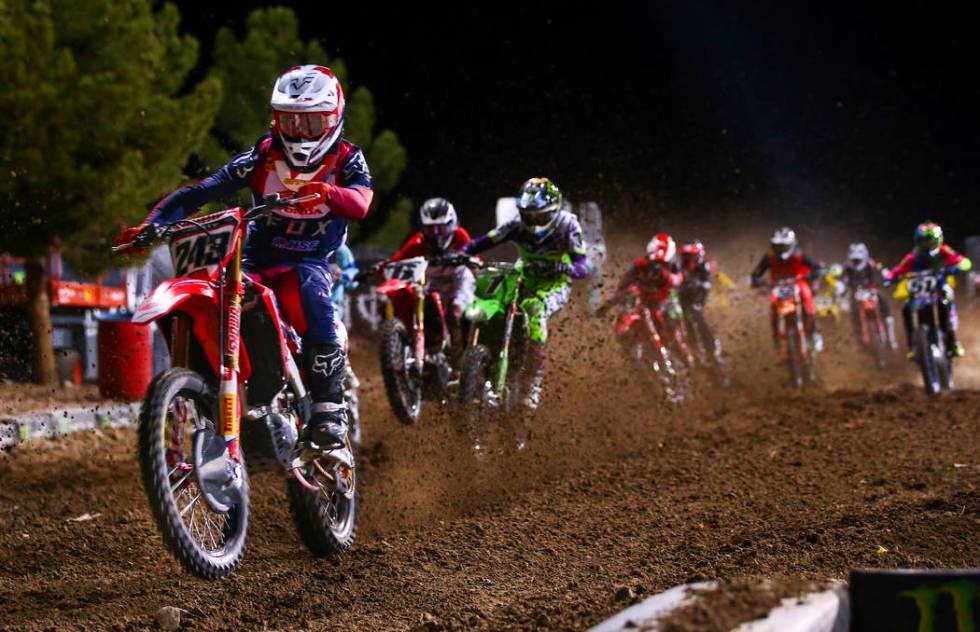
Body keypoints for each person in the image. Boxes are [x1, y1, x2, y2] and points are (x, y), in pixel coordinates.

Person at [116, 65, 372, 449]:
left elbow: (361, 201)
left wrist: (328, 194)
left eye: (312, 122)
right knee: (220, 297)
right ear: (276, 120)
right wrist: (151, 225)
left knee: (313, 295)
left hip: (312, 258)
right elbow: (198, 193)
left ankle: (329, 409)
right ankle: (216, 391)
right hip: (256, 258)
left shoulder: (346, 158)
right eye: (290, 121)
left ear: (333, 118)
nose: (300, 133)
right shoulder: (262, 156)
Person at [462, 177, 588, 410]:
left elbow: (583, 266)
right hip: (524, 274)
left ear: (553, 210)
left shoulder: (568, 225)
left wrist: (567, 267)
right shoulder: (516, 225)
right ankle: (472, 362)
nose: (532, 222)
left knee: (534, 310)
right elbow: (485, 241)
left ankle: (533, 384)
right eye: (527, 215)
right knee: (493, 299)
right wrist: (462, 254)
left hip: (554, 282)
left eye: (539, 216)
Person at [380, 198, 475, 352]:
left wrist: (472, 261)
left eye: (441, 228)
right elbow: (397, 260)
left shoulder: (460, 235)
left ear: (452, 225)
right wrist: (380, 267)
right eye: (431, 229)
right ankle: (422, 346)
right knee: (419, 302)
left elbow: (474, 258)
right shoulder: (417, 242)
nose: (436, 234)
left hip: (457, 281)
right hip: (432, 282)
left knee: (456, 311)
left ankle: (461, 354)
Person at [882, 222, 972, 358]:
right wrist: (889, 278)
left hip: (939, 287)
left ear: (938, 240)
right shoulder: (912, 257)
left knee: (947, 299)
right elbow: (897, 270)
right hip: (920, 293)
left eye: (931, 241)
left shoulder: (944, 251)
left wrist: (957, 267)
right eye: (924, 242)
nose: (928, 245)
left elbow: (963, 261)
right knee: (906, 309)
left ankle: (953, 339)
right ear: (918, 242)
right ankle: (912, 346)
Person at [605, 233, 692, 365]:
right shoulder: (640, 264)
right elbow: (623, 285)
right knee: (623, 330)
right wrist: (608, 304)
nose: (656, 265)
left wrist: (665, 275)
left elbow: (678, 280)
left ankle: (687, 362)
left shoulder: (674, 265)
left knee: (675, 336)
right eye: (655, 262)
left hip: (666, 305)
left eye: (660, 263)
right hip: (644, 305)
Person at [750, 226, 826, 352]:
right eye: (778, 246)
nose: (780, 249)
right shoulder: (769, 257)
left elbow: (816, 267)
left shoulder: (799, 255)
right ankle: (776, 339)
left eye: (783, 246)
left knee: (807, 297)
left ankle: (816, 332)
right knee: (773, 308)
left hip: (798, 283)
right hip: (778, 287)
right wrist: (756, 281)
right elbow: (756, 273)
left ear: (791, 245)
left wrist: (815, 273)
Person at [840, 242, 897, 349]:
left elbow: (882, 272)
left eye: (858, 260)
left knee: (885, 308)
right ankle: (859, 338)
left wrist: (887, 278)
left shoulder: (870, 264)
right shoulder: (847, 267)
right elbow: (842, 280)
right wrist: (842, 289)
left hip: (870, 291)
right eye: (854, 260)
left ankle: (891, 337)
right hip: (855, 294)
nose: (856, 262)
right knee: (853, 314)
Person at [677, 239, 723, 361]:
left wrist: (695, 286)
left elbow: (706, 285)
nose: (688, 259)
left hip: (694, 301)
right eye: (685, 256)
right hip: (678, 301)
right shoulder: (677, 267)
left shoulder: (703, 267)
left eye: (690, 256)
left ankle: (711, 344)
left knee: (695, 314)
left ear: (697, 255)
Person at [329, 243, 359, 328]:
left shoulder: (340, 249)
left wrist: (340, 275)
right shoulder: (300, 245)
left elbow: (353, 280)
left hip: (332, 306)